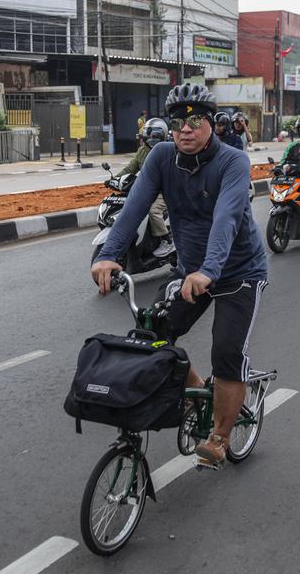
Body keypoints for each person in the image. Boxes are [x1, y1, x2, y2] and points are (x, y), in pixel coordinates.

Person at [91, 83, 268, 470]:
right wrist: (108, 255)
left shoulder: (233, 161)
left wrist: (209, 269)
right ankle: (195, 393)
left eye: (195, 120)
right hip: (191, 272)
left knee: (226, 351)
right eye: (177, 121)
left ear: (211, 124)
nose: (185, 129)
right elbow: (134, 207)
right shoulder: (160, 158)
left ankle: (220, 436)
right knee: (150, 334)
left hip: (238, 272)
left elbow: (226, 219)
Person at [117, 118, 174, 258]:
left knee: (153, 210)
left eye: (155, 135)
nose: (151, 138)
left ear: (163, 136)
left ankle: (167, 240)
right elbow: (130, 168)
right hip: (147, 190)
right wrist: (115, 179)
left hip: (164, 190)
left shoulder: (168, 150)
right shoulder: (142, 151)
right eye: (149, 135)